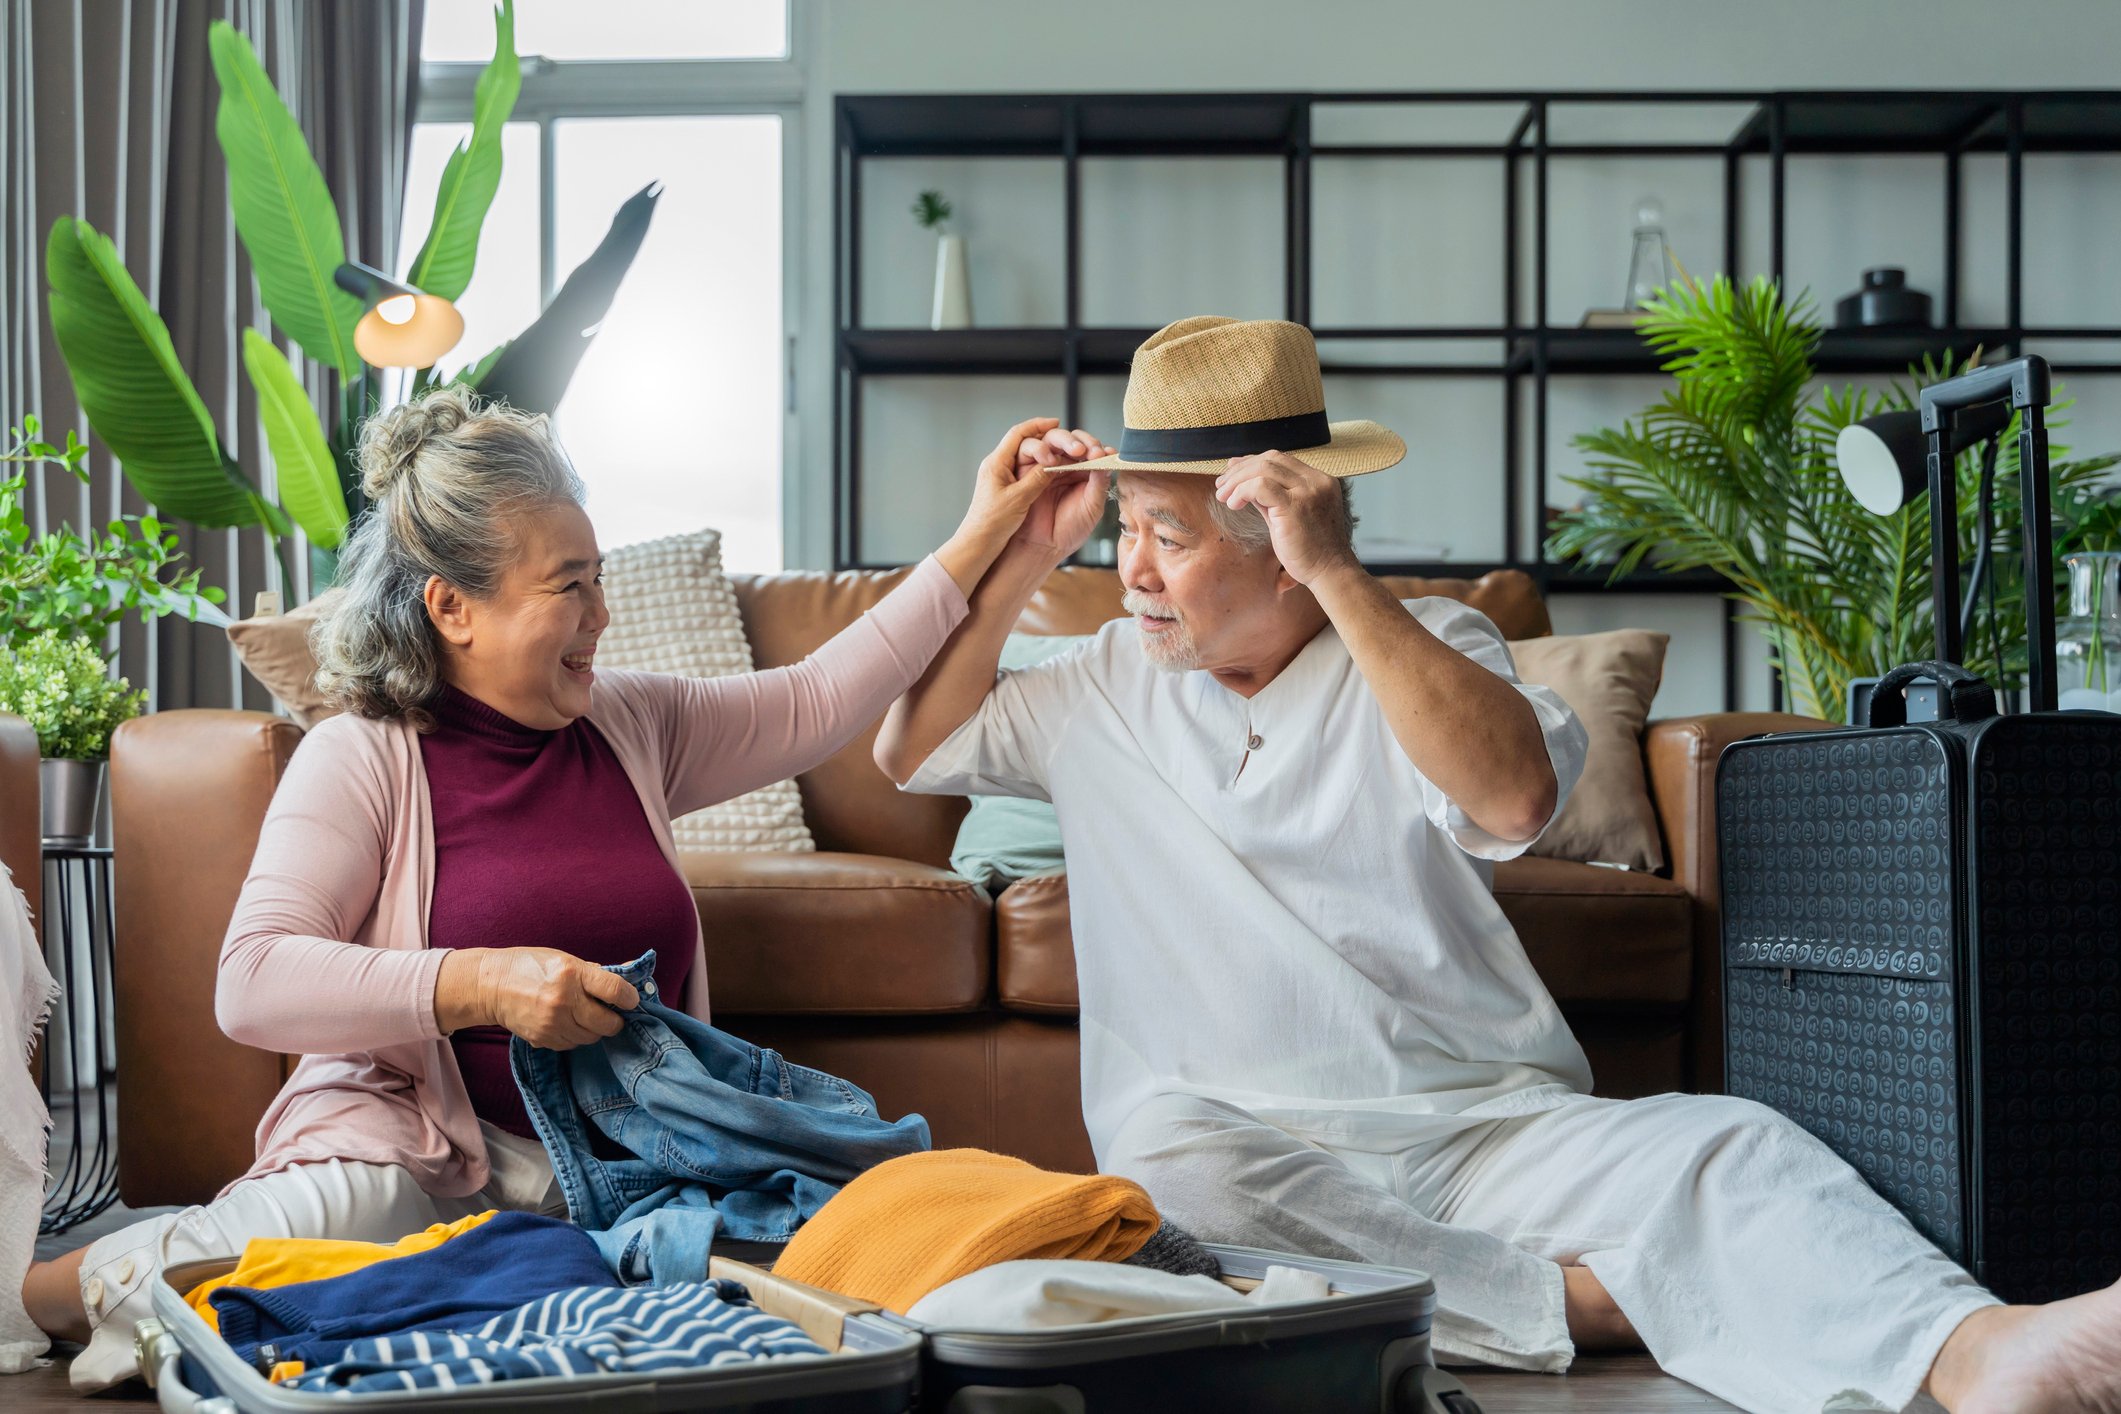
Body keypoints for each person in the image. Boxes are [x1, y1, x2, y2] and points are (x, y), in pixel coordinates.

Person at [875, 315, 2121, 1414]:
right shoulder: (1097, 683)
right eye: (1126, 529)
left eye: (1171, 533)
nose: (1132, 568)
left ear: (1280, 530)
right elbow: (905, 747)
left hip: (1485, 1129)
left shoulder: (1433, 645)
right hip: (1251, 1152)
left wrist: (1342, 575)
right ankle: (1576, 1307)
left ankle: (1985, 1351)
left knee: (1727, 1144)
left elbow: (1514, 794)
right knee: (1165, 1170)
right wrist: (1017, 548)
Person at [20, 385, 1111, 1391]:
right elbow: (250, 981)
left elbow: (825, 694)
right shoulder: (363, 753)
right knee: (277, 1249)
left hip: (624, 1167)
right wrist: (480, 984)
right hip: (418, 1154)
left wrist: (991, 539)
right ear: (454, 608)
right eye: (570, 588)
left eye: (601, 581)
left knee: (819, 1267)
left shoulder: (633, 722)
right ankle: (44, 1291)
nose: (602, 616)